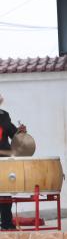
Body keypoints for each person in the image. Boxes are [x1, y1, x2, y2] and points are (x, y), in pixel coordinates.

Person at [0, 94, 27, 230]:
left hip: (4, 159)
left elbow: (13, 134)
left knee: (5, 192)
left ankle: (6, 224)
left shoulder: (4, 115)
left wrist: (20, 132)